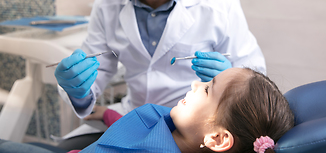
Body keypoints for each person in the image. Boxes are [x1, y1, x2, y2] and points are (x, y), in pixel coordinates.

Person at [54, 0, 266, 147]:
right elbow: (93, 82)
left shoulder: (221, 7)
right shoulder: (107, 3)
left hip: (188, 136)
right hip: (131, 119)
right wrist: (77, 88)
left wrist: (231, 78)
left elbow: (257, 85)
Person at [0, 68, 294, 153]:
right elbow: (135, 127)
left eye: (208, 88)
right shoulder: (175, 127)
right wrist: (105, 114)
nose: (195, 82)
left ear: (218, 138)